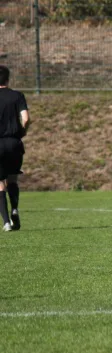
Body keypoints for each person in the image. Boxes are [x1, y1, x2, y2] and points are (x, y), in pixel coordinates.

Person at [0, 66, 30, 232]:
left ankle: (6, 222)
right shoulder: (17, 96)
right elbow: (26, 119)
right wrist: (22, 133)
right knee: (12, 179)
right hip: (14, 143)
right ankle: (15, 209)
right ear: (7, 79)